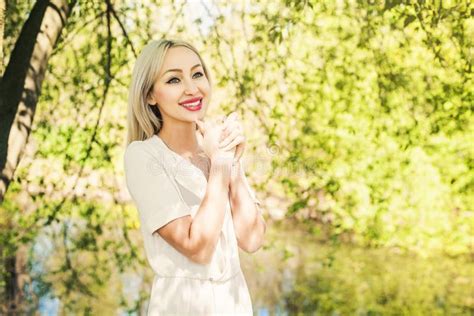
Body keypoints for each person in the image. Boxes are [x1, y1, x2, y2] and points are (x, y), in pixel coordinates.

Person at [123, 39, 266, 315]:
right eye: (174, 80)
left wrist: (231, 164)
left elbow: (252, 239)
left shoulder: (215, 147)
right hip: (182, 306)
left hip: (235, 304)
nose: (192, 88)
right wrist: (221, 165)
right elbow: (197, 247)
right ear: (150, 95)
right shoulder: (143, 156)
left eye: (197, 74)